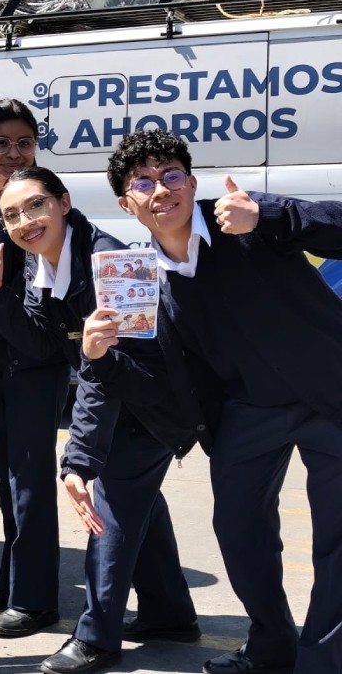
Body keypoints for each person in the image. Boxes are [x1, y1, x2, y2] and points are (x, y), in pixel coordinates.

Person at [96, 128, 342, 674]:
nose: (161, 188)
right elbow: (157, 371)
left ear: (192, 180)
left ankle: (322, 661)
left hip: (331, 393)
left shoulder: (248, 219)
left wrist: (275, 216)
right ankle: (271, 644)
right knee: (238, 530)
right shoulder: (137, 278)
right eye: (143, 181)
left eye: (171, 174)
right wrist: (101, 355)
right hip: (248, 410)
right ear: (125, 202)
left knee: (337, 540)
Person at [0, 165, 199, 674]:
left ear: (64, 202)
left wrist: (79, 460)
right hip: (122, 398)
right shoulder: (35, 265)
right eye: (11, 215)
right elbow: (43, 347)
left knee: (110, 511)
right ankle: (169, 614)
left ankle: (95, 637)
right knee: (139, 504)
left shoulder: (111, 265)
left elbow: (106, 373)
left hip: (157, 403)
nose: (25, 221)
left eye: (35, 206)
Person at [0, 100, 72, 638]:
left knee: (29, 482)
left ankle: (35, 601)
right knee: (7, 479)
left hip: (35, 361)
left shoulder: (45, 202)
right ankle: (13, 580)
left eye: (24, 142)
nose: (12, 153)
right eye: (0, 142)